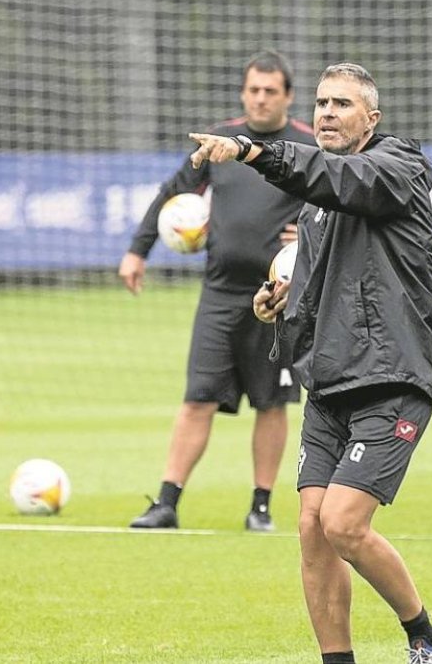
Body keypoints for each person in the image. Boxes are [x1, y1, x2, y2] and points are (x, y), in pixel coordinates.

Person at [188, 63, 432, 664]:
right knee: (311, 529)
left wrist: (256, 152)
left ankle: (424, 634)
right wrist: (276, 306)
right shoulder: (314, 211)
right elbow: (320, 290)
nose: (328, 113)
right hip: (331, 386)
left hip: (392, 378)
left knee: (343, 524)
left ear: (372, 119)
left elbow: (340, 180)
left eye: (342, 104)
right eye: (323, 103)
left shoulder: (397, 168)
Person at [121, 50, 315, 531]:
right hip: (221, 294)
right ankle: (166, 502)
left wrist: (309, 232)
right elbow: (172, 191)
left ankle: (260, 508)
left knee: (271, 404)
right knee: (197, 397)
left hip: (278, 296)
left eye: (271, 91)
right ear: (243, 92)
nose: (261, 98)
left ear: (288, 97)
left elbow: (334, 199)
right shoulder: (221, 142)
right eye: (254, 89)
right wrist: (137, 250)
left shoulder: (309, 146)